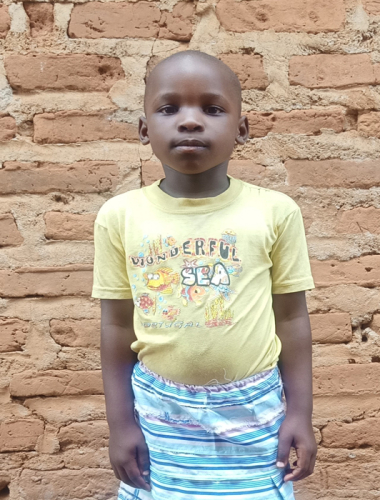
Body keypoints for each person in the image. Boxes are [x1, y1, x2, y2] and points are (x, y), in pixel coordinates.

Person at [92, 50, 317, 500]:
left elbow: (292, 318)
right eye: (169, 108)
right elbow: (116, 326)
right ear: (144, 129)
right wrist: (120, 424)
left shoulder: (274, 212)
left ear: (241, 129)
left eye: (212, 109)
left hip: (254, 414)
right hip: (158, 412)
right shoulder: (120, 217)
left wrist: (300, 414)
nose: (190, 121)